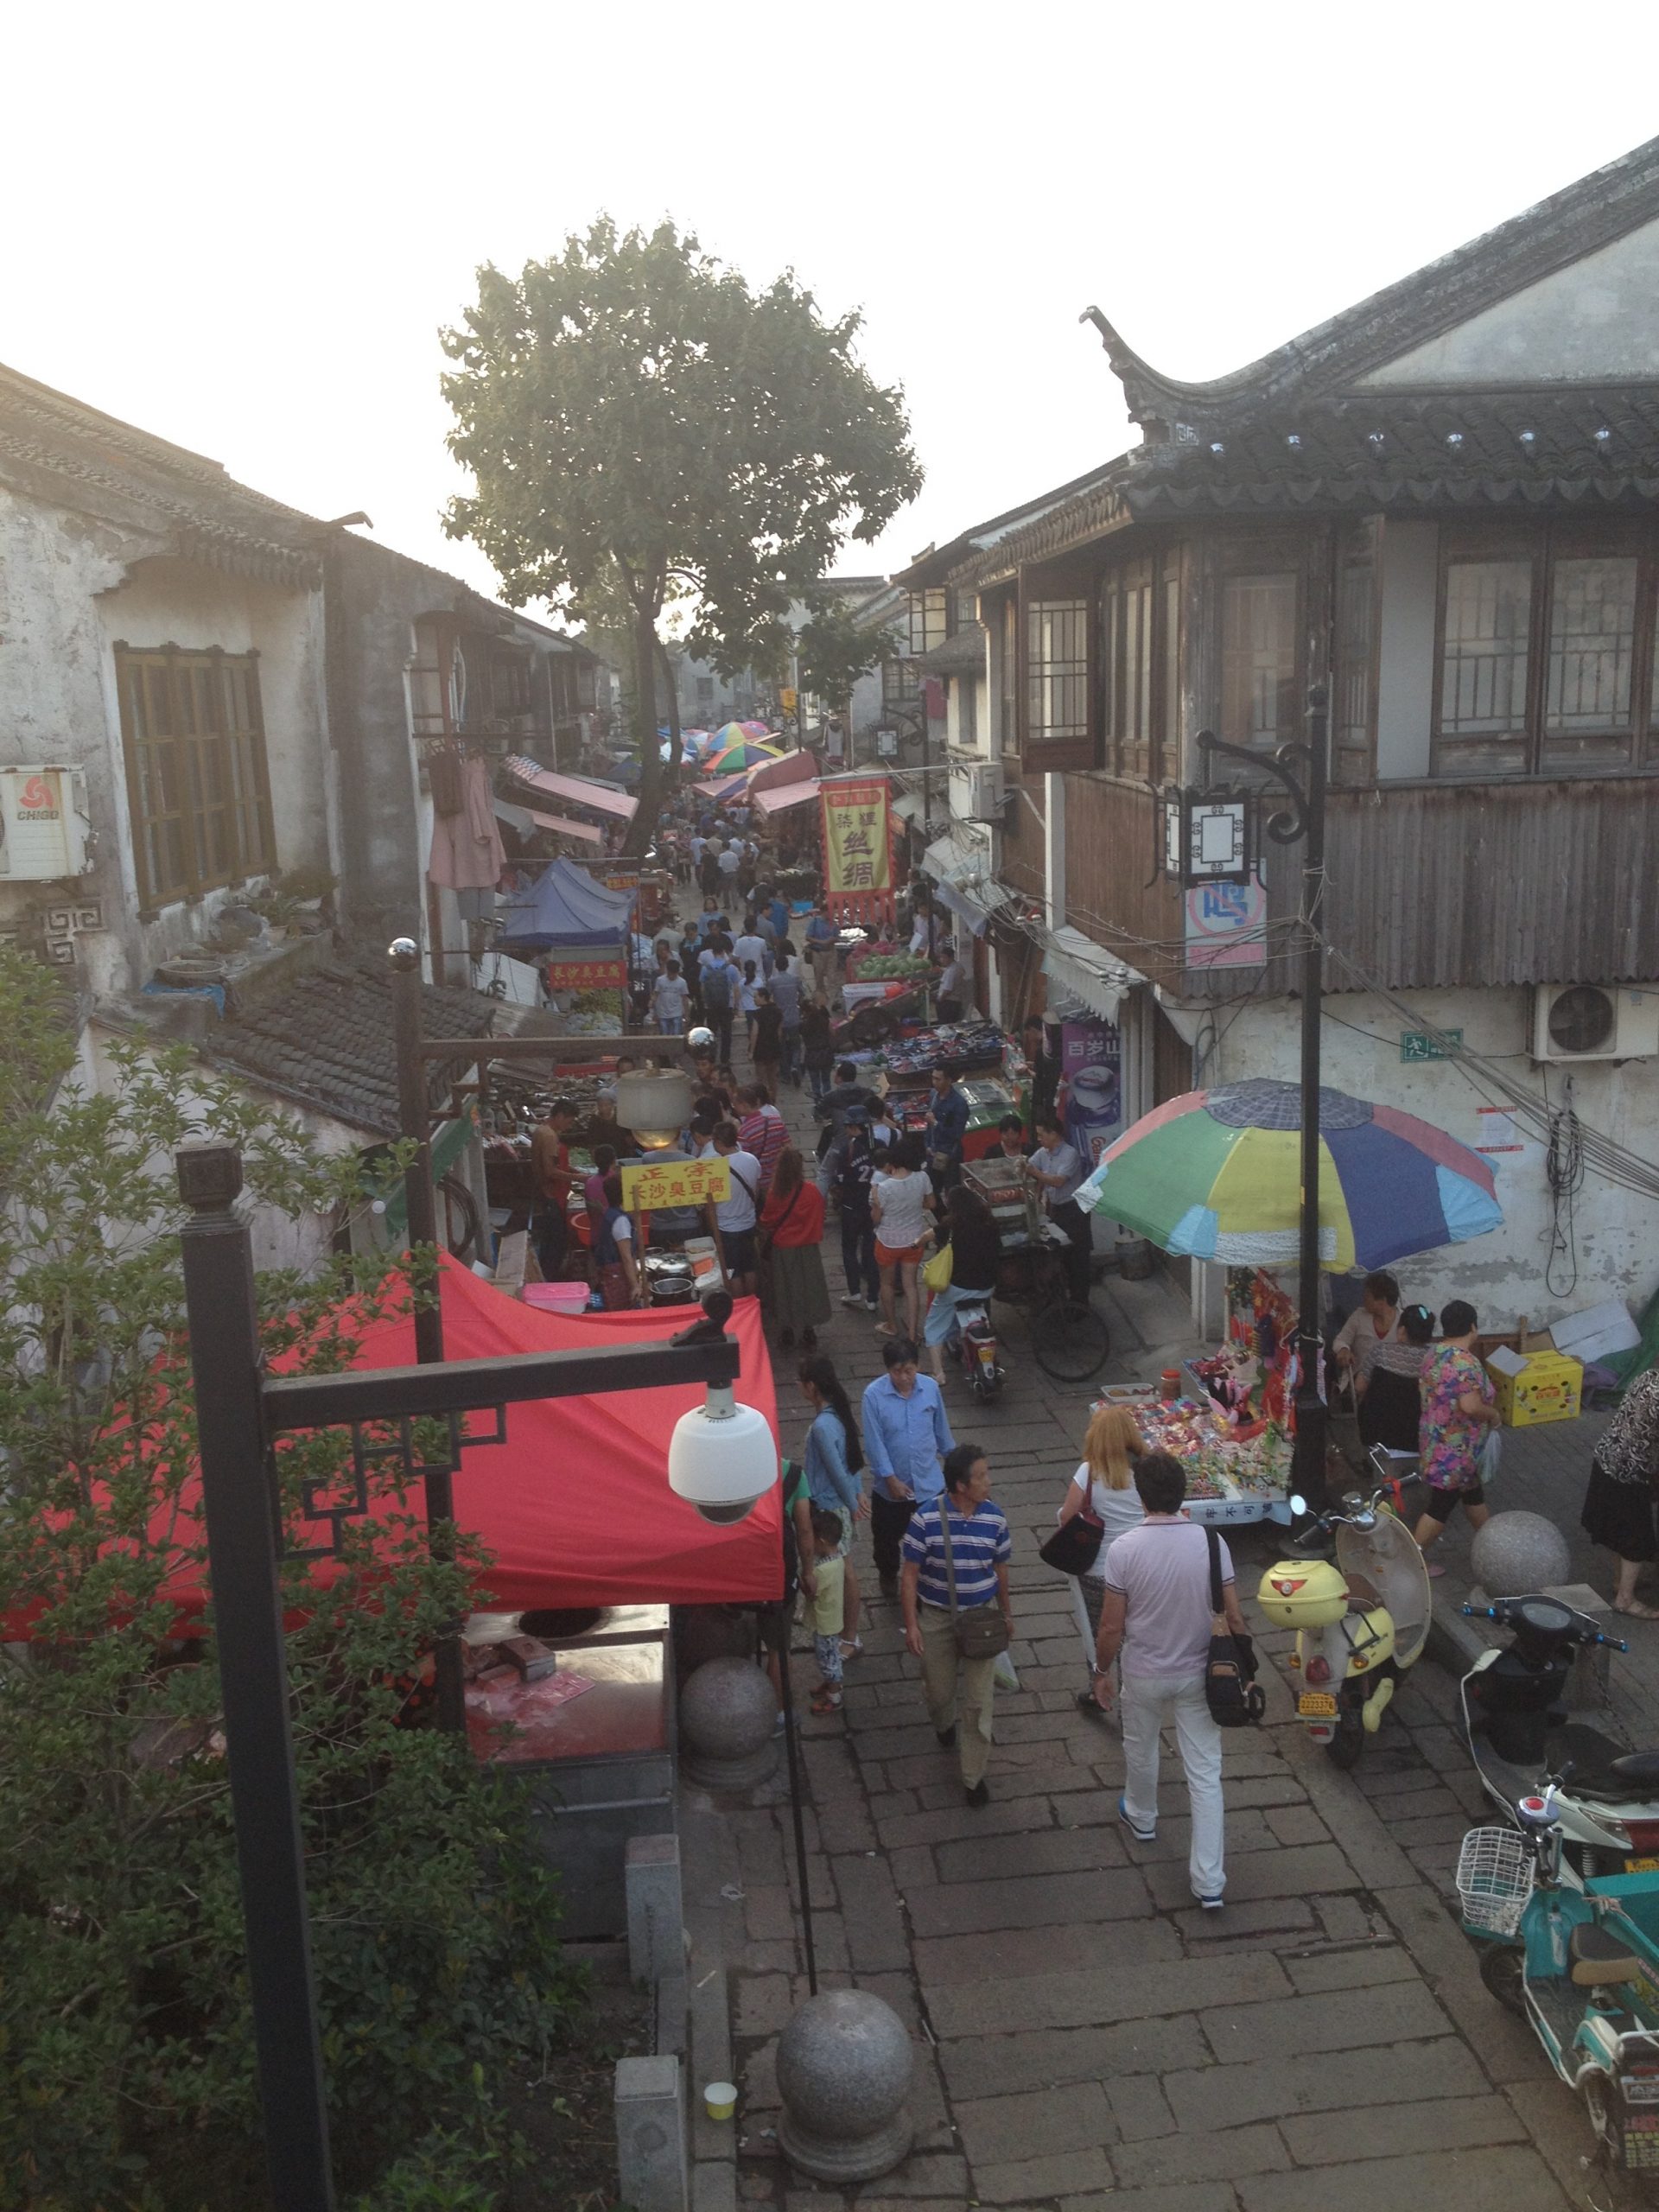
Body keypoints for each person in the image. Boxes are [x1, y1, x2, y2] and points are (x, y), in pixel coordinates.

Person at [1092, 1451, 1246, 1908]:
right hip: (1202, 1674)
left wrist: (1101, 1671)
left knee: (1139, 1748)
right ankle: (1209, 1881)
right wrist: (1247, 1667)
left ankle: (1141, 1815)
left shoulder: (1124, 1551)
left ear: (1141, 1496)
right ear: (1184, 1496)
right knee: (1205, 1774)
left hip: (1144, 1672)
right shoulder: (1212, 1543)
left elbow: (1111, 1627)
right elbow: (1235, 1615)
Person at [900, 1442, 1013, 1807]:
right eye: (980, 1477)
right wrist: (912, 1624)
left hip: (981, 1618)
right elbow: (910, 1574)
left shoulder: (995, 1519)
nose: (988, 1482)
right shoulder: (925, 1519)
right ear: (960, 1486)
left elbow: (1001, 1570)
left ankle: (973, 1777)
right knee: (939, 1692)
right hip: (937, 1619)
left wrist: (1007, 1614)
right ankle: (942, 1722)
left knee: (980, 1704)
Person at [1053, 1405, 1147, 1714]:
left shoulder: (1089, 1472)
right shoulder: (1146, 1471)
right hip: (1138, 1569)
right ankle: (1131, 1703)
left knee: (1100, 1633)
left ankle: (1098, 1687)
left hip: (1096, 1570)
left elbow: (1068, 1516)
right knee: (1132, 1637)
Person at [862, 1335, 954, 1599]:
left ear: (917, 1365)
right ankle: (888, 1574)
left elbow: (942, 1434)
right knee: (886, 1540)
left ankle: (928, 1584)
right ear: (888, 1369)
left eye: (909, 1370)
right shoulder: (873, 1396)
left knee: (933, 1540)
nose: (904, 1377)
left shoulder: (930, 1389)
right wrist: (889, 1478)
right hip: (891, 1489)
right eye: (897, 1372)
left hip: (929, 1485)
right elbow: (875, 1443)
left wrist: (957, 1468)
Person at [1414, 1300, 1501, 1571]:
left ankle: (1495, 1551)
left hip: (1436, 1441)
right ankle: (1413, 1561)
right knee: (1440, 1505)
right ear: (1473, 1327)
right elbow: (1470, 1406)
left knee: (1473, 1493)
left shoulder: (1434, 1354)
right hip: (1455, 1450)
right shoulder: (1465, 1363)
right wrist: (1493, 1415)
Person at [799, 1353, 866, 1654]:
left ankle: (848, 1636)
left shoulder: (823, 1426)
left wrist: (852, 1503)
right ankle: (847, 1634)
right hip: (841, 1503)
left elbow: (837, 1469)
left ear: (812, 1386)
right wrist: (858, 1493)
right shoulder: (838, 1416)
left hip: (830, 1506)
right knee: (845, 1568)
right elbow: (851, 1458)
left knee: (843, 1571)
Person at [1581, 1368, 1659, 1618]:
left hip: (1608, 1457)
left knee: (1620, 1530)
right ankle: (1625, 1599)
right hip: (1630, 1469)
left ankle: (1620, 1582)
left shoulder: (1649, 1376)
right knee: (1636, 1537)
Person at [922, 1182, 1002, 1387]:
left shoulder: (950, 1226)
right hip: (987, 1287)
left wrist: (915, 1243)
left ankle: (938, 1374)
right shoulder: (991, 1224)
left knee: (934, 1324)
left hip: (958, 1289)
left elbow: (928, 1236)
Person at [761, 1148, 831, 1351]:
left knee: (783, 1289)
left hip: (783, 1249)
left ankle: (787, 1329)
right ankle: (808, 1328)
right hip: (808, 1247)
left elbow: (767, 1219)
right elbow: (819, 1216)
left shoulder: (776, 1193)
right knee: (809, 1288)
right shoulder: (811, 1192)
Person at [871, 1135, 936, 1342]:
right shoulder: (922, 1178)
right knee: (910, 1286)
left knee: (887, 1283)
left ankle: (891, 1325)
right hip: (914, 1240)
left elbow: (876, 1218)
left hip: (887, 1241)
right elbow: (932, 1204)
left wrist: (875, 1203)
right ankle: (912, 1332)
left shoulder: (884, 1188)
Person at [1027, 1112, 1093, 1304]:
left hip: (1074, 1211)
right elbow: (1030, 1164)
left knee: (1078, 1260)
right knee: (1058, 1256)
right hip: (1055, 1210)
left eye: (1042, 1135)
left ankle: (1080, 1303)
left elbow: (1058, 1181)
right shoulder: (1043, 1154)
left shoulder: (1069, 1154)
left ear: (1054, 1134)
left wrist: (1035, 1173)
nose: (1039, 1139)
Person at [1357, 1300, 1437, 1454]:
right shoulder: (1436, 1359)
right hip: (1420, 1437)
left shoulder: (1381, 1352)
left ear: (1402, 1331)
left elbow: (1360, 1387)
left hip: (1378, 1436)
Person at [529, 1097, 581, 1283]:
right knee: (555, 1243)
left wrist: (574, 1172)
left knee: (550, 1241)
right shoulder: (549, 1136)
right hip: (551, 1195)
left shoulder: (542, 1130)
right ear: (559, 1116)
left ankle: (547, 1277)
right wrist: (579, 1178)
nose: (570, 1125)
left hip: (547, 1193)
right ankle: (551, 1280)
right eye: (569, 1120)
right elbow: (550, 1171)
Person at [836, 1113, 881, 1317]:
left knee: (849, 1249)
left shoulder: (848, 1149)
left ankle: (854, 1290)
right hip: (873, 1207)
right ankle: (872, 1297)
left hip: (851, 1207)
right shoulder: (878, 1145)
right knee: (871, 1252)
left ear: (855, 1128)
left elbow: (840, 1179)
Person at [709, 1120, 763, 1297]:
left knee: (734, 1272)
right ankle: (753, 1303)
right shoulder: (751, 1160)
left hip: (727, 1228)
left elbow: (711, 1203)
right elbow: (755, 1190)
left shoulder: (716, 1169)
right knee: (750, 1268)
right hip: (748, 1223)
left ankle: (740, 1308)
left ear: (718, 1142)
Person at [808, 1509, 849, 1713]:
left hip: (825, 1624)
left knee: (828, 1659)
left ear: (821, 1541)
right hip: (833, 1619)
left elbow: (811, 1592)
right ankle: (831, 1684)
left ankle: (834, 1695)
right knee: (830, 1654)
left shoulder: (822, 1571)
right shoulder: (838, 1558)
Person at [591, 1171, 639, 1309]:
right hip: (617, 1276)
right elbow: (626, 1257)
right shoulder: (621, 1220)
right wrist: (635, 1286)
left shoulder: (610, 1214)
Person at [736, 1083, 787, 1192]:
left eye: (736, 1104)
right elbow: (788, 1147)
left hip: (761, 1182)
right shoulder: (776, 1121)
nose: (734, 1107)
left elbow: (745, 1163)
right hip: (781, 1176)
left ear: (744, 1105)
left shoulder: (744, 1132)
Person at [925, 1066, 969, 1184]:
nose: (934, 1082)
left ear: (949, 1080)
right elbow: (928, 1126)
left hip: (950, 1156)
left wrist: (935, 1123)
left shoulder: (959, 1104)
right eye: (933, 1078)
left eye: (938, 1079)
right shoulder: (933, 1094)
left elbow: (957, 1133)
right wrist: (927, 1145)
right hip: (932, 1153)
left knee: (951, 1188)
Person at [698, 939, 739, 1065]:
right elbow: (736, 989)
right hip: (726, 1005)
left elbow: (702, 988)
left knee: (712, 1033)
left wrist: (705, 1001)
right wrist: (736, 1006)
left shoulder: (706, 969)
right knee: (726, 1033)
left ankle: (711, 1057)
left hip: (711, 1006)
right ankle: (725, 1059)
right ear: (723, 952)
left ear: (713, 952)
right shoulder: (730, 968)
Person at [768, 954, 804, 1087]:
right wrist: (797, 1003)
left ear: (776, 967)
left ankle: (785, 1074)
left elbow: (768, 996)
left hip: (779, 1019)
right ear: (787, 966)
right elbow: (803, 993)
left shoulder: (773, 981)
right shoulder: (794, 979)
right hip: (794, 1015)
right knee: (796, 1045)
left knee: (782, 1046)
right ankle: (795, 1065)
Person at [800, 996, 835, 1104]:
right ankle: (828, 1103)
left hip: (812, 1055)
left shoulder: (803, 1024)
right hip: (826, 1053)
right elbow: (833, 1033)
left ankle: (818, 1104)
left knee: (815, 1083)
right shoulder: (824, 1021)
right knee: (826, 1080)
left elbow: (802, 1040)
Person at [752, 987, 785, 1099]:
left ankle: (762, 1100)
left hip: (760, 1048)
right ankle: (773, 1099)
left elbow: (754, 1033)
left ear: (763, 997)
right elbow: (779, 1032)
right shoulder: (778, 1011)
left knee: (761, 1078)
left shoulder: (758, 1014)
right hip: (774, 1047)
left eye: (756, 997)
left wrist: (751, 1050)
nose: (754, 999)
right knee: (772, 1078)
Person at [804, 901, 840, 1005]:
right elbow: (808, 937)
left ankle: (833, 999)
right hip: (818, 952)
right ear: (824, 912)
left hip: (831, 952)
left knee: (832, 976)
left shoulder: (834, 923)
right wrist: (822, 942)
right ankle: (821, 997)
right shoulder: (815, 922)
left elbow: (837, 937)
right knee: (819, 976)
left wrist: (832, 940)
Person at [653, 958, 690, 1038]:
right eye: (670, 974)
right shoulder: (660, 980)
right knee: (664, 1036)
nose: (671, 976)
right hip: (663, 1013)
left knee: (677, 1036)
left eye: (673, 974)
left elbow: (685, 999)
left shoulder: (682, 982)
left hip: (677, 1013)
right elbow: (656, 995)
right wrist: (655, 1012)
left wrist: (687, 1015)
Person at [936, 941, 968, 1024]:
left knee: (946, 1025)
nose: (941, 960)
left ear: (950, 958)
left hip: (948, 1003)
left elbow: (948, 989)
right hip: (955, 1003)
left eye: (943, 957)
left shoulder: (951, 971)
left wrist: (940, 999)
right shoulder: (957, 966)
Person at [740, 960, 761, 1054]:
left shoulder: (742, 983)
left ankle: (751, 1046)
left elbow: (740, 994)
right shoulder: (760, 981)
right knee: (758, 1029)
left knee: (750, 1029)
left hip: (748, 1008)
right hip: (758, 1008)